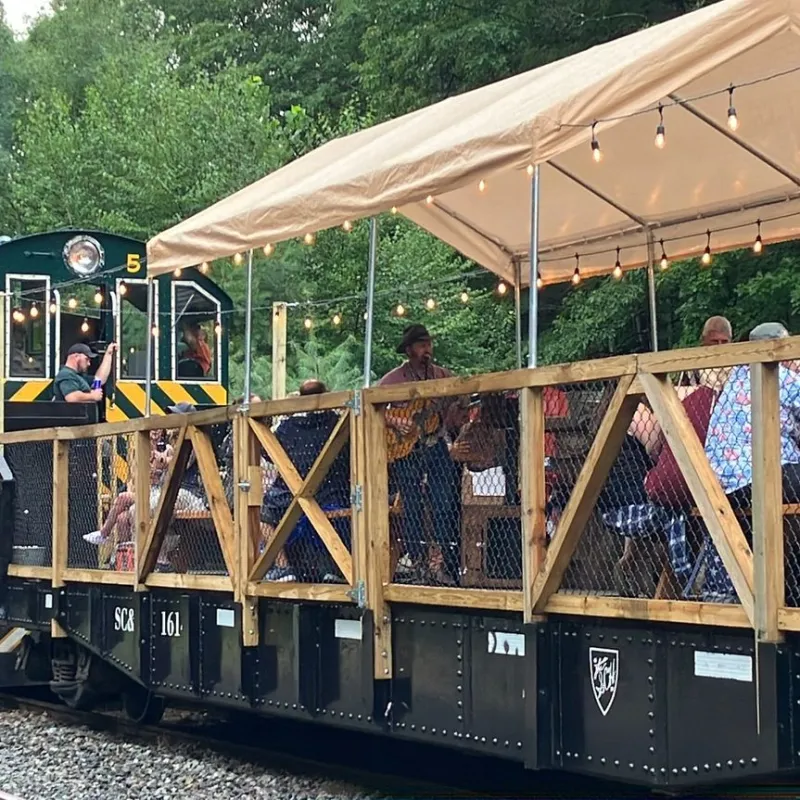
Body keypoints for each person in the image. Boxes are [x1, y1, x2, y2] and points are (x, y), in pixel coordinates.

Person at [702, 322, 800, 600]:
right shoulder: (783, 376)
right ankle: (790, 591)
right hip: (763, 476)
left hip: (722, 486)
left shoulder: (737, 377)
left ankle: (789, 588)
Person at [379, 324, 467, 585]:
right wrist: (395, 420)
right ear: (409, 350)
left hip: (435, 442)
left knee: (444, 499)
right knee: (412, 502)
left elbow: (456, 409)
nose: (426, 349)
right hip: (406, 447)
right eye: (421, 345)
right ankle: (416, 559)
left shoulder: (442, 376)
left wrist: (461, 404)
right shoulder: (393, 379)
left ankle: (440, 561)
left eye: (428, 344)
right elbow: (372, 407)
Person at [260, 380, 351, 583]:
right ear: (327, 395)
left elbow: (267, 454)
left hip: (290, 498)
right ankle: (338, 568)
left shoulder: (288, 427)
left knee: (263, 515)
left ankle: (283, 567)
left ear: (301, 398)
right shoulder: (341, 424)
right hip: (333, 492)